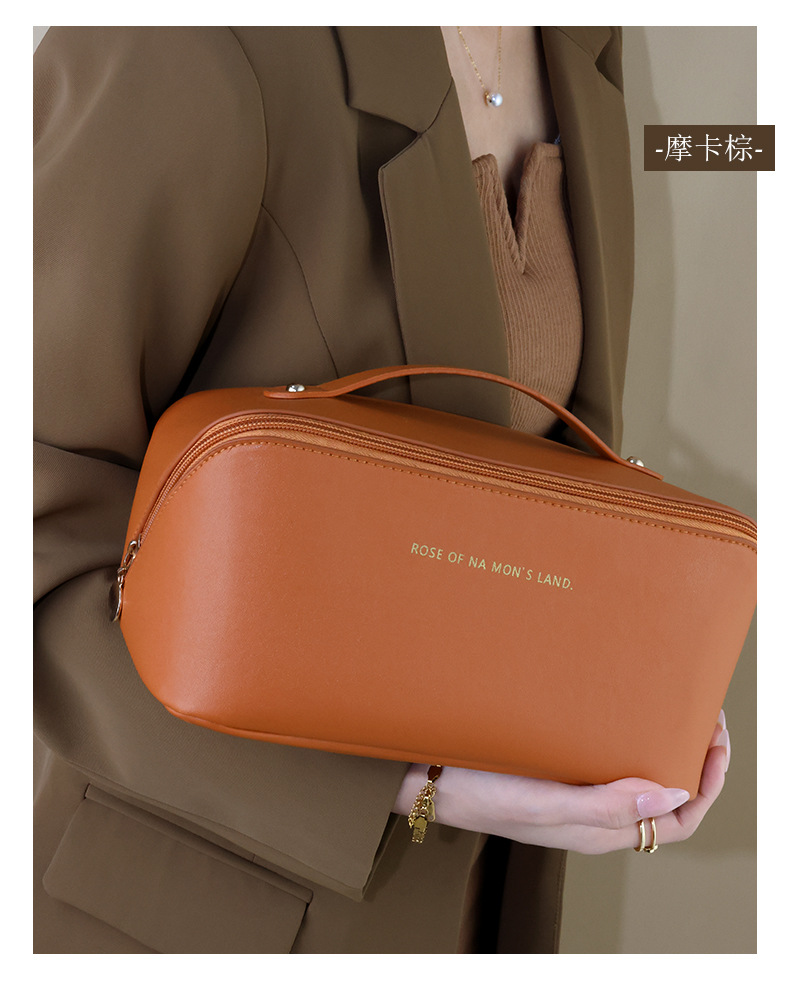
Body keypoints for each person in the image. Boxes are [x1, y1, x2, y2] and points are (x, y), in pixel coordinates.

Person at [33, 26, 729, 954]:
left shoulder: (584, 43)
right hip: (193, 920)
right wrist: (412, 782)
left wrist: (629, 670)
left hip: (468, 915)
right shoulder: (184, 41)